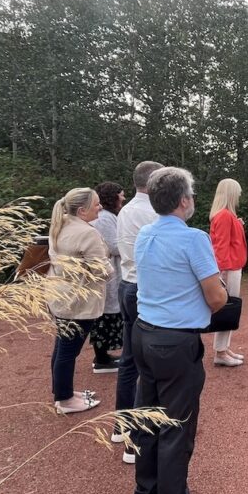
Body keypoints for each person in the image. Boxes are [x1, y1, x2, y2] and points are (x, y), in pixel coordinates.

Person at [130, 166, 226, 494]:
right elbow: (216, 297)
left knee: (147, 422)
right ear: (184, 200)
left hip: (143, 333)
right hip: (174, 342)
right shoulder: (193, 239)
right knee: (176, 427)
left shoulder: (144, 233)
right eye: (192, 195)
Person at [113, 160, 164, 463]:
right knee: (147, 367)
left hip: (126, 284)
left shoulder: (127, 209)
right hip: (144, 288)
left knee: (129, 362)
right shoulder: (151, 212)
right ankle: (136, 442)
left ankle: (122, 427)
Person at [46, 187, 110, 414]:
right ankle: (65, 400)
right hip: (77, 302)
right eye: (96, 204)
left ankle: (62, 392)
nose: (100, 207)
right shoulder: (87, 233)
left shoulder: (60, 224)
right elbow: (102, 270)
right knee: (67, 351)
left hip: (60, 296)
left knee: (62, 347)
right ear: (82, 210)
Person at [207, 178, 247, 367]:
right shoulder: (224, 215)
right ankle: (220, 352)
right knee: (228, 310)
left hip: (231, 267)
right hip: (229, 268)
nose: (239, 195)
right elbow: (220, 246)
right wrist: (221, 272)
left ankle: (223, 348)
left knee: (230, 309)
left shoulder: (225, 215)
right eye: (237, 192)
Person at [88, 181, 125, 372]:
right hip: (108, 273)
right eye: (121, 194)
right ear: (113, 197)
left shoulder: (108, 217)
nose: (123, 198)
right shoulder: (104, 219)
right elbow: (114, 246)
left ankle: (103, 356)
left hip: (110, 271)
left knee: (107, 313)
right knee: (104, 315)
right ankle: (101, 359)